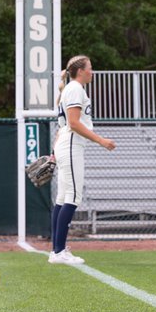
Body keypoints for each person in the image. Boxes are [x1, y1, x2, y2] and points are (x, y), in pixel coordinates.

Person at [48, 55, 116, 265]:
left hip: (65, 144)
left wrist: (54, 151)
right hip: (71, 145)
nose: (92, 71)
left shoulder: (69, 89)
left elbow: (63, 125)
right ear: (81, 71)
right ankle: (59, 252)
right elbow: (74, 124)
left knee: (63, 198)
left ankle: (57, 250)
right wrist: (101, 141)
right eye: (90, 68)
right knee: (73, 196)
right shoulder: (75, 88)